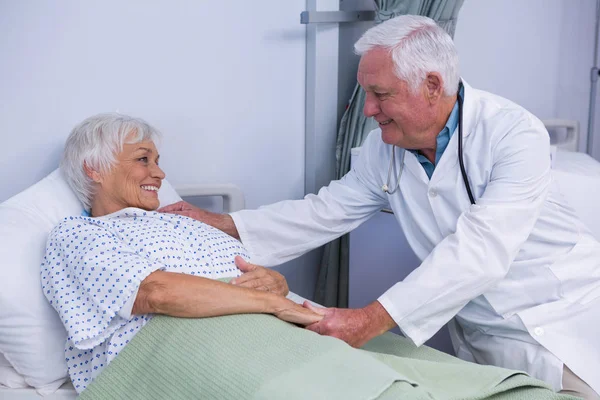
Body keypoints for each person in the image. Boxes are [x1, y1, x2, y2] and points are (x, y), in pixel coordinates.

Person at [159, 15, 600, 399]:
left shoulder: (513, 134)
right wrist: (222, 223)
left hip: (565, 317)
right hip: (487, 335)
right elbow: (325, 211)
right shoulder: (383, 147)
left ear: (431, 85)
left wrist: (369, 320)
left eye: (380, 94)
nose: (368, 109)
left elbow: (481, 249)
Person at [41, 113, 322, 393]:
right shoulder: (78, 233)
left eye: (157, 161)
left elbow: (254, 279)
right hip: (185, 346)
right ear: (94, 169)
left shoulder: (183, 222)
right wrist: (270, 303)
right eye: (143, 159)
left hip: (272, 334)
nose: (160, 173)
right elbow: (155, 293)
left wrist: (277, 285)